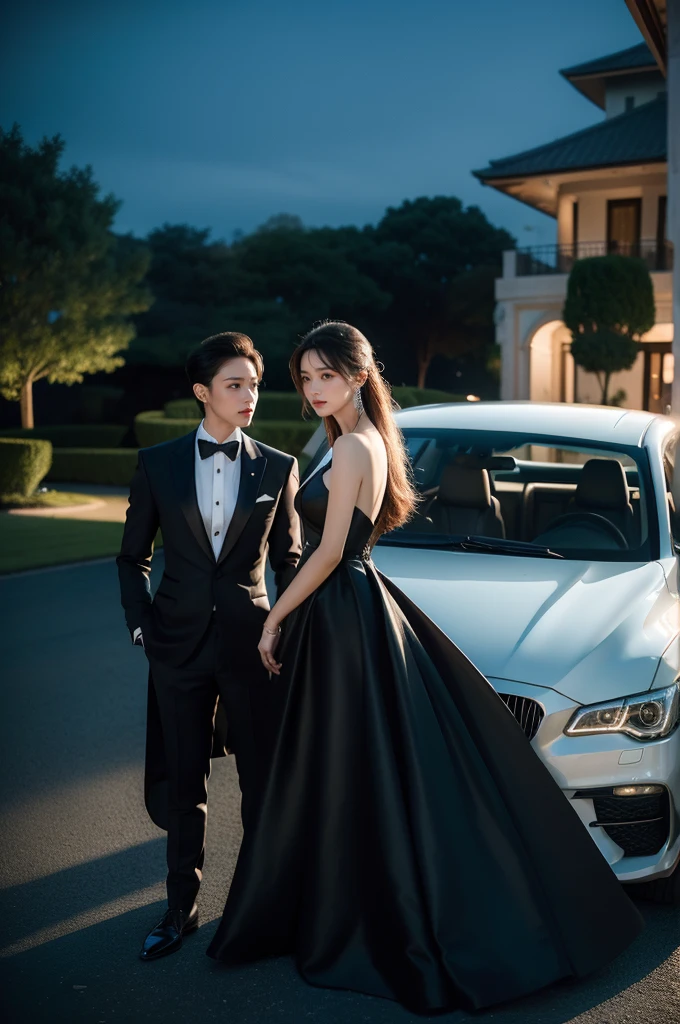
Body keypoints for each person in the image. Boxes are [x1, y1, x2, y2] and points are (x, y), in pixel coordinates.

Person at [206, 321, 644, 1014]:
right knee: (350, 770)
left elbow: (324, 554)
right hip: (352, 607)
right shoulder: (362, 438)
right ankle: (332, 903)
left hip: (341, 606)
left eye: (327, 375)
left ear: (357, 374)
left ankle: (349, 913)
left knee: (347, 769)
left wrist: (274, 614)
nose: (315, 389)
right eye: (307, 377)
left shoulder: (354, 445)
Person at [117, 332, 302, 962]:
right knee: (184, 783)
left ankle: (259, 905)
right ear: (203, 393)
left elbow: (291, 560)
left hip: (254, 648)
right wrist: (142, 625)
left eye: (254, 384)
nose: (249, 395)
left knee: (259, 780)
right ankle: (180, 907)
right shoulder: (158, 463)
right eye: (235, 384)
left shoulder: (278, 467)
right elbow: (131, 557)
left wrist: (284, 627)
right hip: (175, 647)